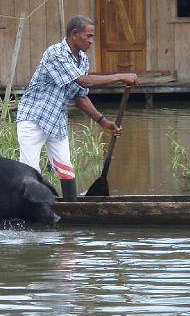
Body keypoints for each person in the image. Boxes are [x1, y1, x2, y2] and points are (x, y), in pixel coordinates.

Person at [16, 15, 139, 202]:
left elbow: (79, 95)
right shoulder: (55, 53)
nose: (91, 41)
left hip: (56, 120)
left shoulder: (82, 60)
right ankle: (27, 211)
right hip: (34, 118)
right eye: (88, 36)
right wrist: (120, 76)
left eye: (92, 37)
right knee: (30, 170)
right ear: (74, 34)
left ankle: (71, 210)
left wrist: (103, 121)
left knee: (66, 167)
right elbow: (82, 80)